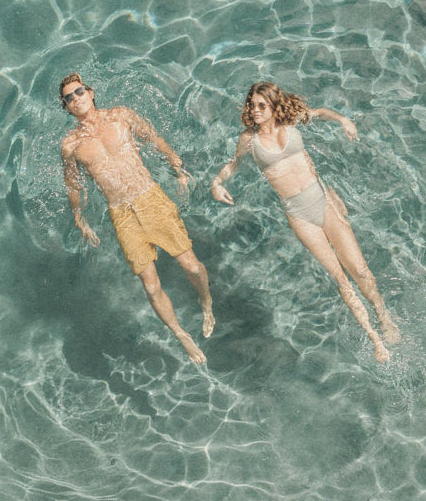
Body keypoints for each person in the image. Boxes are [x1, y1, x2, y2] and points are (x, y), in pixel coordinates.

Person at [210, 82, 400, 363]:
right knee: (340, 277)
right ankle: (374, 339)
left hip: (322, 200)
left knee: (359, 268)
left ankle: (384, 317)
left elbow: (321, 113)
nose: (255, 110)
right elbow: (233, 164)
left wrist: (343, 119)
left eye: (262, 105)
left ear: (274, 106)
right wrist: (216, 182)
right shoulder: (248, 140)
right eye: (252, 105)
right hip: (299, 214)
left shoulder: (291, 123)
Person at [59, 72, 215, 364]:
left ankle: (206, 301)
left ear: (90, 93)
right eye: (68, 98)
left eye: (79, 92)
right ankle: (181, 333)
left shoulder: (121, 116)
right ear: (66, 107)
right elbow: (74, 185)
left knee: (192, 267)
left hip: (150, 198)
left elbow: (154, 138)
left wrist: (177, 169)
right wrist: (79, 218)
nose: (75, 99)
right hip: (121, 214)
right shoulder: (70, 145)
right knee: (151, 286)